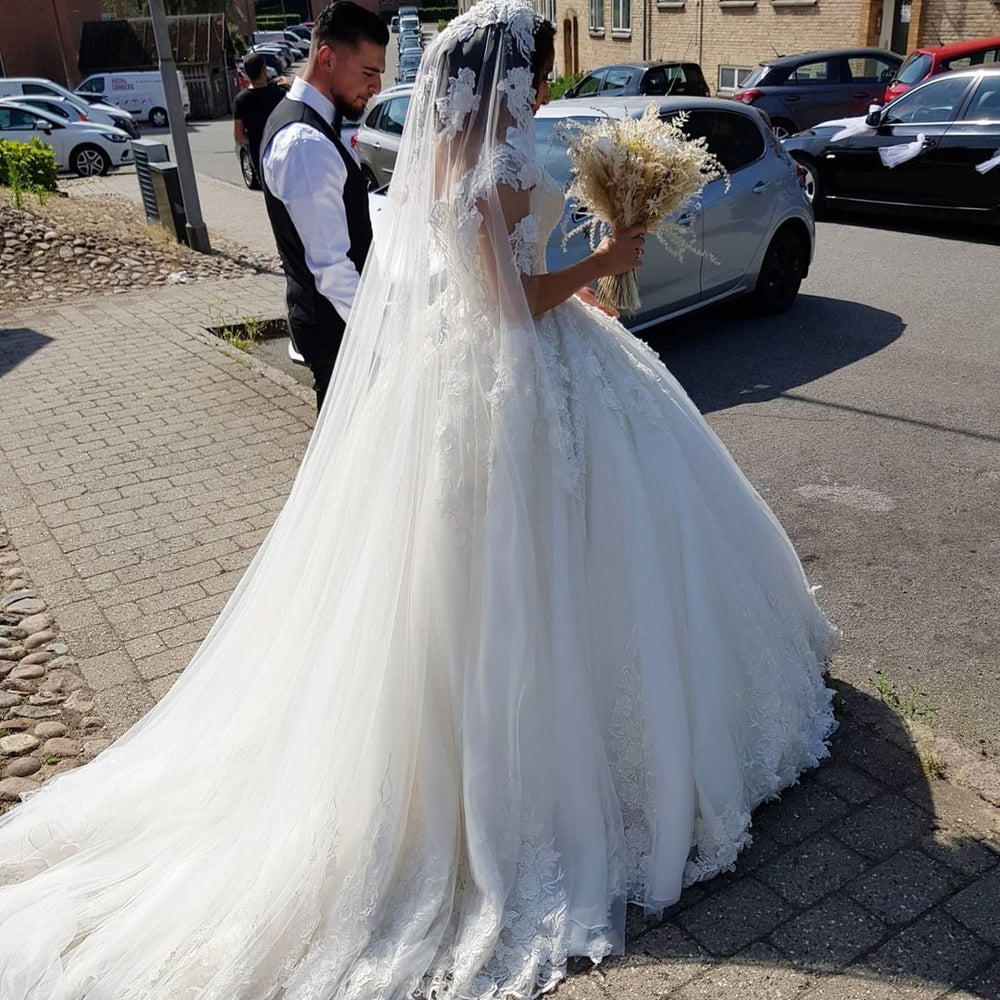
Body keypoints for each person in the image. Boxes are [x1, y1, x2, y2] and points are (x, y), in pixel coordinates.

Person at [0, 2, 837, 997]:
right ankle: (542, 788)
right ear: (504, 79)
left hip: (505, 362)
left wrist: (579, 285)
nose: (542, 86)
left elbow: (497, 281)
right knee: (540, 562)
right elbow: (503, 296)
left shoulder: (454, 155)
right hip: (515, 375)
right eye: (534, 73)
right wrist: (602, 263)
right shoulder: (483, 164)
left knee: (524, 561)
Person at [260, 1, 388, 412]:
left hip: (343, 329)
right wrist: (389, 338)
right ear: (327, 58)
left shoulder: (308, 128)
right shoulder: (304, 144)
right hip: (342, 336)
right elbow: (332, 270)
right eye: (369, 72)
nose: (377, 87)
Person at [232, 52, 288, 188]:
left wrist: (254, 140)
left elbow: (239, 135)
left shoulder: (241, 100)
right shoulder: (278, 93)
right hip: (283, 149)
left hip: (259, 154)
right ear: (264, 71)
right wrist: (289, 85)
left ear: (246, 73)